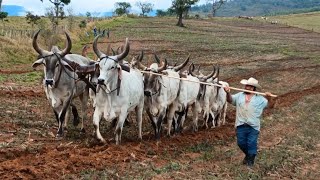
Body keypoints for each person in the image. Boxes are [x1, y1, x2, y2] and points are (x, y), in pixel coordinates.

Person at [223, 77, 273, 167]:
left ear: (254, 88)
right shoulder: (239, 95)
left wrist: (269, 99)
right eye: (246, 86)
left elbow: (270, 106)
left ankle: (250, 163)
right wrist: (227, 93)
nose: (247, 87)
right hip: (241, 124)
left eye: (249, 86)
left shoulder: (260, 99)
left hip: (253, 126)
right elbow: (230, 100)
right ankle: (249, 155)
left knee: (251, 143)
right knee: (241, 143)